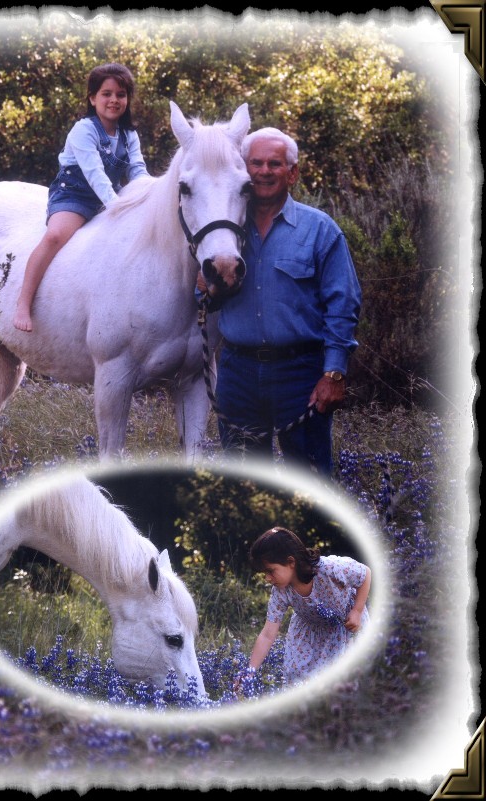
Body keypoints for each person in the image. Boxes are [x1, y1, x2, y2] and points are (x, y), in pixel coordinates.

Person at [202, 127, 362, 475]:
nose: (263, 171)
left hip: (299, 374)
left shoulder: (320, 230)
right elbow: (203, 300)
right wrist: (204, 288)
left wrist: (333, 373)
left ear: (293, 173)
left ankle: (308, 532)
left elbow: (343, 305)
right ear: (244, 170)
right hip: (237, 373)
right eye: (255, 163)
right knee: (242, 488)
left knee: (310, 483)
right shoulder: (222, 230)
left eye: (274, 163)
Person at [14, 62, 149, 331]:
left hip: (109, 197)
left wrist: (146, 198)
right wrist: (117, 207)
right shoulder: (84, 129)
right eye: (106, 94)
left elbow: (138, 170)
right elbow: (94, 173)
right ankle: (23, 302)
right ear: (92, 98)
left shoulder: (129, 135)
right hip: (75, 193)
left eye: (120, 95)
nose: (114, 100)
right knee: (54, 236)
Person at [242, 527, 371, 688]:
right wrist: (250, 671)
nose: (267, 578)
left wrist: (357, 610)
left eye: (270, 571)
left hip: (345, 626)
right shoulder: (281, 591)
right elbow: (268, 634)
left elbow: (365, 574)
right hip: (308, 635)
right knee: (296, 678)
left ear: (291, 562)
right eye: (264, 573)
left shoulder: (329, 568)